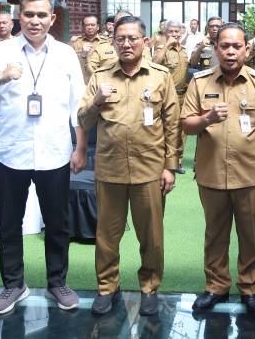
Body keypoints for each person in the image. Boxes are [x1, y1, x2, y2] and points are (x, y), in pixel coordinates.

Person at [0, 0, 86, 315]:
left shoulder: (65, 54)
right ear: (19, 16)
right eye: (29, 14)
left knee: (57, 222)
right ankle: (13, 285)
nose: (35, 21)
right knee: (9, 222)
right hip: (10, 152)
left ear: (52, 18)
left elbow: (78, 105)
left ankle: (58, 282)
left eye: (41, 15)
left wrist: (80, 147)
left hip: (54, 152)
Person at [78, 16, 181, 317]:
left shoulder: (160, 76)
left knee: (151, 236)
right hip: (110, 170)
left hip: (150, 169)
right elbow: (83, 119)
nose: (126, 44)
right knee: (106, 236)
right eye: (120, 39)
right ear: (113, 42)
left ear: (145, 41)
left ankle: (149, 287)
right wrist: (96, 101)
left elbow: (173, 124)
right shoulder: (100, 77)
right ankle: (107, 287)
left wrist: (170, 166)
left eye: (132, 38)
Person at [181, 23, 255, 318]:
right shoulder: (200, 82)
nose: (230, 51)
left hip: (251, 175)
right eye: (224, 46)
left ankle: (250, 287)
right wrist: (207, 118)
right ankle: (216, 286)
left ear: (246, 50)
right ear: (215, 49)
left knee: (251, 234)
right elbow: (186, 124)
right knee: (215, 234)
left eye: (237, 46)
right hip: (212, 173)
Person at [152, 20, 190, 174]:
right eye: (171, 31)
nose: (174, 34)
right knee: (167, 129)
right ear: (166, 33)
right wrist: (166, 45)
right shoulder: (162, 48)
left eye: (177, 31)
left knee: (182, 130)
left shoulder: (184, 50)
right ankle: (163, 160)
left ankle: (178, 161)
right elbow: (154, 64)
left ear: (181, 33)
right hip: (167, 97)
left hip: (183, 95)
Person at [70, 15, 102, 83]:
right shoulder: (75, 42)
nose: (90, 27)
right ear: (83, 27)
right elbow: (68, 63)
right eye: (87, 25)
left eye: (92, 25)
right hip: (81, 81)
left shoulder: (106, 43)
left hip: (100, 81)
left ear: (98, 27)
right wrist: (82, 54)